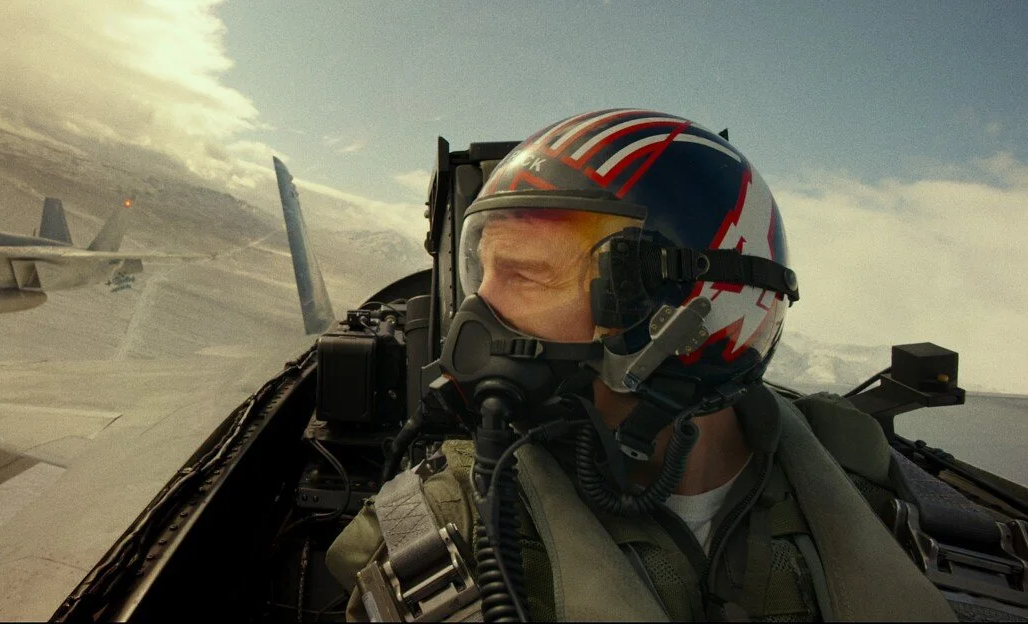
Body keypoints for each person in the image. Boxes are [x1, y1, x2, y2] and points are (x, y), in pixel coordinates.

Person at [325, 109, 959, 621]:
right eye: (482, 273)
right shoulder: (446, 533)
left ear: (685, 315)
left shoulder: (894, 509)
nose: (477, 318)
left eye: (527, 274)